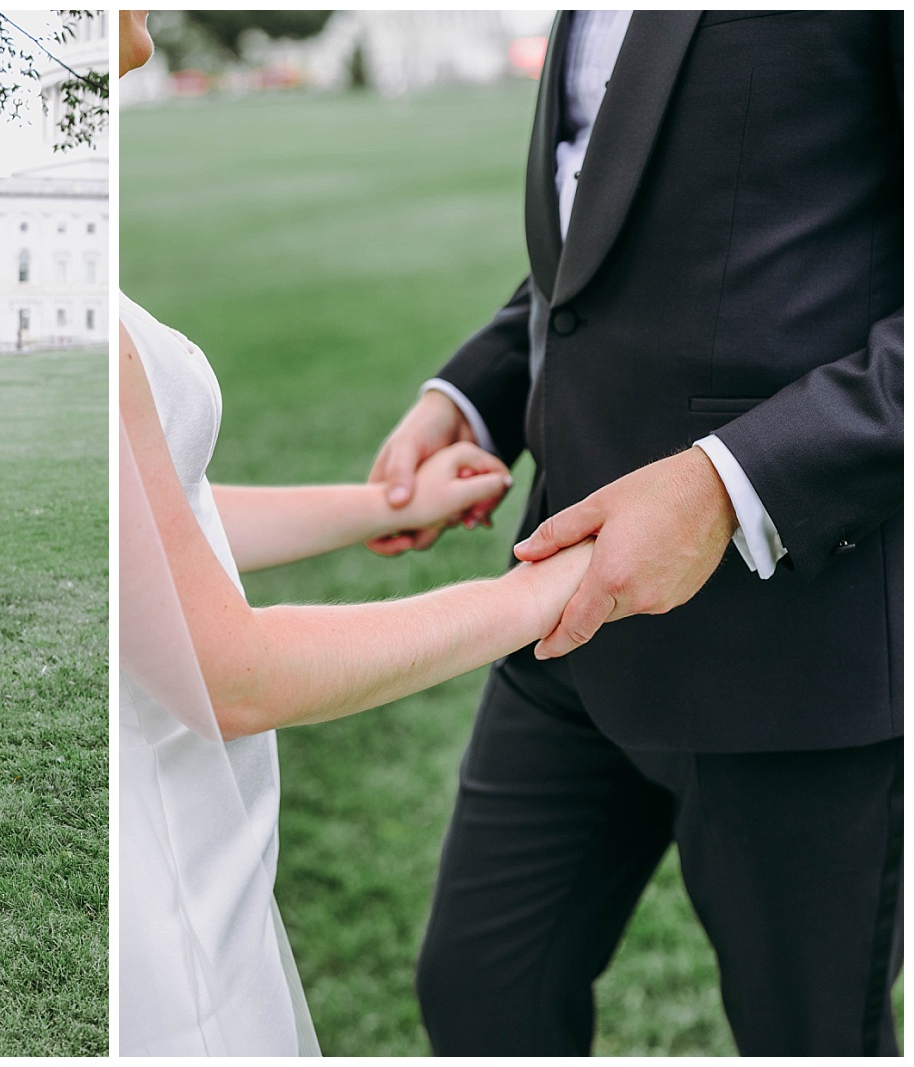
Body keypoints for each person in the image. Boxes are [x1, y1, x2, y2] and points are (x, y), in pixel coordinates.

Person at [364, 11, 903, 1055]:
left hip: (796, 648)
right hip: (564, 614)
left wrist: (725, 485)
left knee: (810, 1035)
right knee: (481, 993)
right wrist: (471, 391)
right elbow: (611, 224)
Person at [117, 10, 597, 1056]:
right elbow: (230, 671)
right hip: (157, 846)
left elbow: (162, 536)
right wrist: (533, 592)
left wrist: (383, 504)